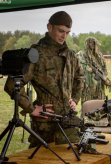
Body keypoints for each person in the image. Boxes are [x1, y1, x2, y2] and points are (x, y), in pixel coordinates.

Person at [4, 11, 84, 148]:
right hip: (44, 125)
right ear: (49, 27)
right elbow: (11, 84)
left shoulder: (70, 55)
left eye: (67, 32)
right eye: (61, 31)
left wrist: (75, 99)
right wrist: (31, 108)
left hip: (67, 123)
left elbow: (80, 77)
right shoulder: (36, 54)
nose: (64, 36)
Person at [77, 37, 110, 105]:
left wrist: (105, 79)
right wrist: (90, 69)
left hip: (99, 87)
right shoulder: (81, 54)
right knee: (88, 106)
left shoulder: (99, 56)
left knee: (100, 106)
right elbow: (79, 66)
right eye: (90, 43)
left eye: (94, 43)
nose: (92, 45)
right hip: (88, 86)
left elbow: (104, 69)